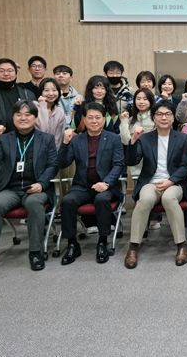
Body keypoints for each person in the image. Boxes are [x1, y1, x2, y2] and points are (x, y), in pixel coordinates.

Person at [0, 101, 58, 277]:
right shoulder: (4, 138)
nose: (23, 118)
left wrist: (42, 183)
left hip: (35, 188)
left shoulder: (46, 139)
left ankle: (36, 252)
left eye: (28, 114)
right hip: (10, 188)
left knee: (34, 204)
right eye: (19, 114)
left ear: (35, 118)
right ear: (13, 118)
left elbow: (53, 165)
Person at [124, 101, 187, 268]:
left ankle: (181, 245)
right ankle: (133, 247)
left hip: (174, 182)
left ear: (173, 117)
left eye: (167, 114)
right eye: (159, 114)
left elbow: (186, 166)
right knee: (144, 200)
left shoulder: (182, 138)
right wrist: (133, 141)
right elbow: (132, 161)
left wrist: (170, 181)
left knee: (169, 199)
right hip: (151, 182)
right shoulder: (145, 138)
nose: (164, 117)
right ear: (154, 118)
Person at [58, 102, 125, 265]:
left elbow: (119, 165)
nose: (94, 121)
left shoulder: (114, 138)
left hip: (106, 186)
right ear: (84, 119)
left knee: (101, 199)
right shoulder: (77, 140)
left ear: (104, 119)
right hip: (82, 186)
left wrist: (106, 183)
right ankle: (72, 244)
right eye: (90, 118)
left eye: (98, 117)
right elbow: (62, 163)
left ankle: (102, 241)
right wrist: (65, 143)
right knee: (67, 201)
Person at [119, 88, 156, 177]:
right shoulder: (131, 120)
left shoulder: (156, 119)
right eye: (138, 99)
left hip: (152, 165)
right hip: (134, 167)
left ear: (151, 101)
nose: (141, 102)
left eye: (145, 99)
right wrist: (124, 121)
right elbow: (125, 141)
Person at [35, 77, 66, 149]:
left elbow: (58, 138)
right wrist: (43, 106)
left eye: (54, 90)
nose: (51, 93)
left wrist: (54, 153)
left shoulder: (59, 112)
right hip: (35, 150)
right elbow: (43, 129)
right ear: (41, 92)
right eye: (46, 90)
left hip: (52, 151)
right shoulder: (34, 108)